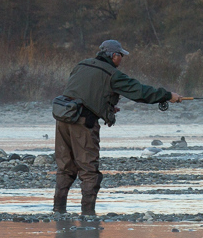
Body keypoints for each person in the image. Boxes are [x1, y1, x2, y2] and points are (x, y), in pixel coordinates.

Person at [53, 39, 182, 216]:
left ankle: (58, 211)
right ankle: (88, 215)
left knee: (65, 168)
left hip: (62, 120)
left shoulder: (81, 65)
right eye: (121, 55)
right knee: (89, 171)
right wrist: (166, 96)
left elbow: (81, 92)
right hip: (83, 123)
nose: (121, 59)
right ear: (114, 56)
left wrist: (105, 106)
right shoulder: (112, 74)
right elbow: (140, 92)